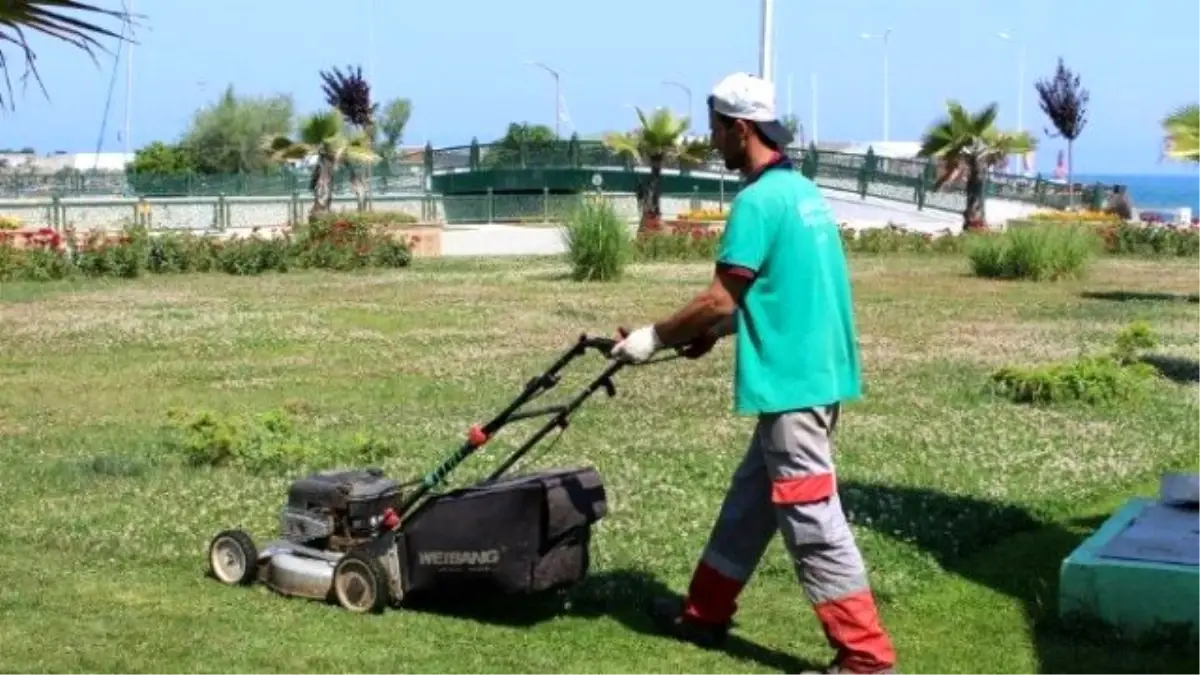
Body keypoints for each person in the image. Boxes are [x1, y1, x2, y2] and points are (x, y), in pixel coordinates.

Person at [609, 72, 898, 675]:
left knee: (811, 519)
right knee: (750, 504)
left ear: (741, 128)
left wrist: (653, 337)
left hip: (793, 387)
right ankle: (704, 614)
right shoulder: (803, 194)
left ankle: (865, 657)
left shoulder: (757, 202)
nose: (712, 140)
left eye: (716, 128)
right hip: (817, 375)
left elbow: (721, 296)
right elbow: (778, 294)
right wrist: (712, 336)